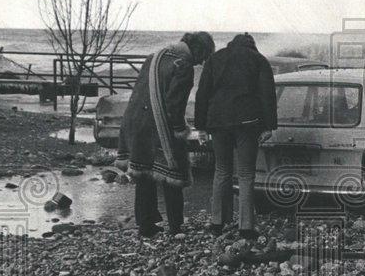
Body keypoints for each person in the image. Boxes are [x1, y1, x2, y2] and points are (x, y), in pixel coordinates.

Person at [117, 31, 214, 237]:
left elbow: (139, 92)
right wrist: (180, 130)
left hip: (135, 121)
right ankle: (175, 227)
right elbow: (175, 104)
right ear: (198, 50)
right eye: (202, 57)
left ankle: (145, 226)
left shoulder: (153, 57)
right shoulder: (183, 65)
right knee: (173, 174)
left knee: (143, 174)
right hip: (158, 125)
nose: (199, 63)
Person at [194, 32, 277, 238]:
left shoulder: (215, 59)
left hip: (218, 121)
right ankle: (246, 227)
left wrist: (201, 127)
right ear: (252, 45)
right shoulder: (259, 60)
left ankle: (216, 222)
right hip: (248, 123)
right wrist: (269, 126)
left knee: (221, 170)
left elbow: (202, 93)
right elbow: (268, 94)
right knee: (246, 174)